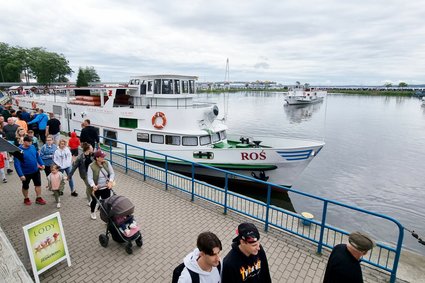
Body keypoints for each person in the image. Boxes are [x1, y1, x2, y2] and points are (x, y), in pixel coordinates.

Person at [14, 135, 46, 205]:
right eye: (29, 142)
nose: (30, 143)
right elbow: (17, 164)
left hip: (36, 170)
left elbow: (37, 156)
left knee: (38, 184)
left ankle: (38, 198)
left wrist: (42, 164)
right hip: (25, 173)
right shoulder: (18, 151)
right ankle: (26, 198)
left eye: (31, 142)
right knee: (25, 187)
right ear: (24, 142)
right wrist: (21, 175)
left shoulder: (32, 147)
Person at [87, 150, 115, 220]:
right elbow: (89, 178)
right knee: (94, 201)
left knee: (106, 202)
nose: (104, 158)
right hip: (96, 187)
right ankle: (92, 212)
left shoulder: (107, 163)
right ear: (97, 158)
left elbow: (112, 173)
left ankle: (106, 216)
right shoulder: (91, 166)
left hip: (106, 186)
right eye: (102, 157)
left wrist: (110, 181)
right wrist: (93, 185)